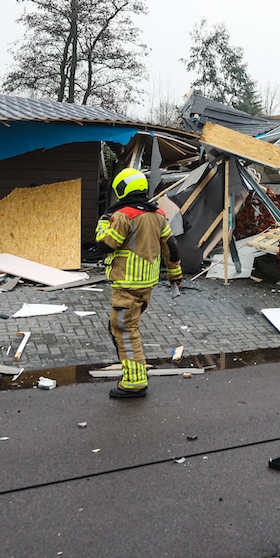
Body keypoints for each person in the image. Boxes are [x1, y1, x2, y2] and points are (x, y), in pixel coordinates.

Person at [96, 167, 182, 399]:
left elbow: (106, 245)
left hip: (127, 284)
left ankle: (134, 381)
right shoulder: (158, 214)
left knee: (124, 330)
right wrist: (175, 275)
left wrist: (104, 223)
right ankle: (130, 373)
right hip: (146, 284)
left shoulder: (123, 216)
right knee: (119, 327)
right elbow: (171, 247)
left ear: (122, 189)